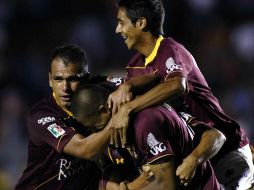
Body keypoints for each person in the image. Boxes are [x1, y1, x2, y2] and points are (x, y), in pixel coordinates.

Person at [106, 0, 254, 189]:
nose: (118, 30)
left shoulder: (171, 50)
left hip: (224, 152)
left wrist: (128, 108)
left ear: (141, 23)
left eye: (121, 22)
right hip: (192, 155)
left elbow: (177, 84)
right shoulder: (135, 66)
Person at [71, 84, 224, 190]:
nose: (99, 134)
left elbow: (166, 186)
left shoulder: (146, 121)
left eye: (96, 126)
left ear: (105, 109)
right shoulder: (120, 132)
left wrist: (127, 188)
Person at [15, 45, 114, 190]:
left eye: (72, 79)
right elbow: (85, 149)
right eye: (58, 79)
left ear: (86, 78)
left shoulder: (97, 91)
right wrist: (119, 118)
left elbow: (137, 82)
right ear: (50, 80)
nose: (65, 88)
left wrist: (125, 90)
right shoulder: (41, 115)